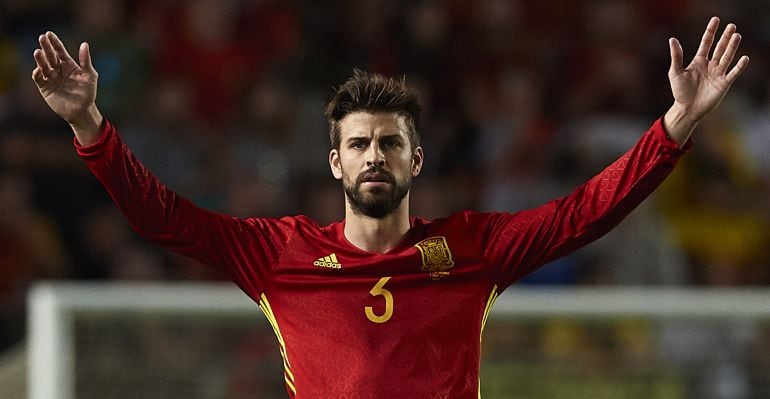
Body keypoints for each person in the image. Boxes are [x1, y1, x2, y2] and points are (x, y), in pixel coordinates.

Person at [32, 16, 748, 398]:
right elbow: (164, 218)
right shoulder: (279, 254)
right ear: (336, 161)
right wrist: (91, 128)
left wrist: (676, 126)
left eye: (391, 143)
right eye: (361, 143)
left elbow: (586, 210)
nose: (376, 154)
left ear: (417, 160)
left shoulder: (471, 249)